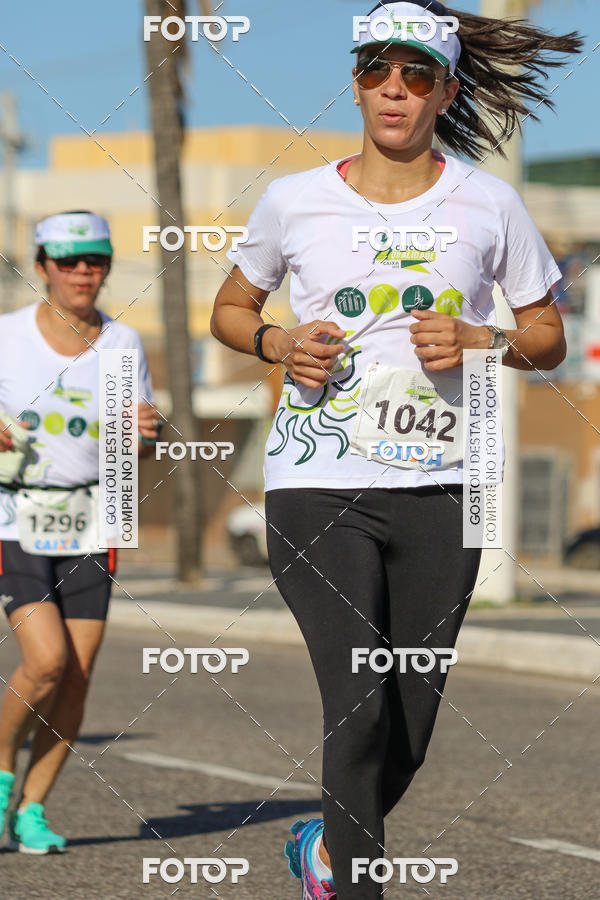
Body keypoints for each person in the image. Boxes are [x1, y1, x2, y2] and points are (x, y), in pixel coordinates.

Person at [211, 2, 580, 896]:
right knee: (360, 706)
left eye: (416, 76)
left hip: (442, 490)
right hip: (316, 483)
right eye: (377, 70)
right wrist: (276, 344)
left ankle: (328, 847)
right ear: (356, 81)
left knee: (408, 725)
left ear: (445, 90)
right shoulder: (294, 199)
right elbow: (229, 310)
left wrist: (479, 337)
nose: (393, 89)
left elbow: (547, 337)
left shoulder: (489, 203)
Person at [0, 210, 160, 853]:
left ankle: (31, 809)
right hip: (17, 517)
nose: (83, 273)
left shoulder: (123, 345)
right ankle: (2, 771)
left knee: (77, 678)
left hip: (95, 520)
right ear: (42, 268)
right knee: (44, 662)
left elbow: (140, 444)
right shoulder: (7, 337)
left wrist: (149, 435)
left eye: (94, 261)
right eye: (69, 262)